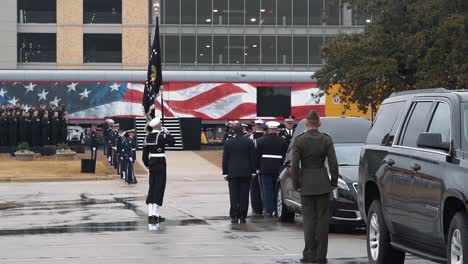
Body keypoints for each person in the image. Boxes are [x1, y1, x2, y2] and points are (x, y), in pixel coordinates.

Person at [291, 110, 339, 264]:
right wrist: (333, 182)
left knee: (309, 220)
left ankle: (309, 254)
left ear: (306, 124)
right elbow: (333, 164)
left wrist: (296, 184)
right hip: (323, 184)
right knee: (323, 221)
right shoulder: (326, 140)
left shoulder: (299, 140)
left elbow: (295, 166)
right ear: (319, 124)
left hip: (306, 184)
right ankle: (321, 256)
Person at [142, 117, 175, 228]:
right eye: (160, 124)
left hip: (152, 162)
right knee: (159, 187)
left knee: (152, 186)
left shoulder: (147, 137)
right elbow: (172, 142)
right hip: (160, 162)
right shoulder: (161, 136)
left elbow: (144, 156)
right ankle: (155, 214)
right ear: (158, 126)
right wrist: (167, 132)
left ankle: (151, 213)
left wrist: (148, 165)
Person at [222, 124, 256, 224]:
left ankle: (234, 216)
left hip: (232, 173)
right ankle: (242, 216)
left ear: (234, 131)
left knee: (233, 195)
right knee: (244, 195)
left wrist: (225, 172)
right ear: (243, 131)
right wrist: (253, 172)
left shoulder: (228, 143)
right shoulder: (249, 142)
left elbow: (225, 159)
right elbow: (252, 158)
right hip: (246, 173)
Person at [256, 121, 288, 217]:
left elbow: (257, 156)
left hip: (265, 168)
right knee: (277, 189)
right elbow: (284, 155)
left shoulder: (260, 141)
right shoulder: (282, 141)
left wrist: (257, 168)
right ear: (276, 130)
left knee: (267, 189)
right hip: (278, 168)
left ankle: (269, 209)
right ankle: (277, 209)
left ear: (269, 129)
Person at [248, 119, 265, 216]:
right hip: (263, 166)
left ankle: (257, 208)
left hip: (256, 167)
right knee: (260, 188)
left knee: (255, 188)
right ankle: (260, 207)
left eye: (255, 125)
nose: (254, 127)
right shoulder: (264, 136)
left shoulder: (249, 138)